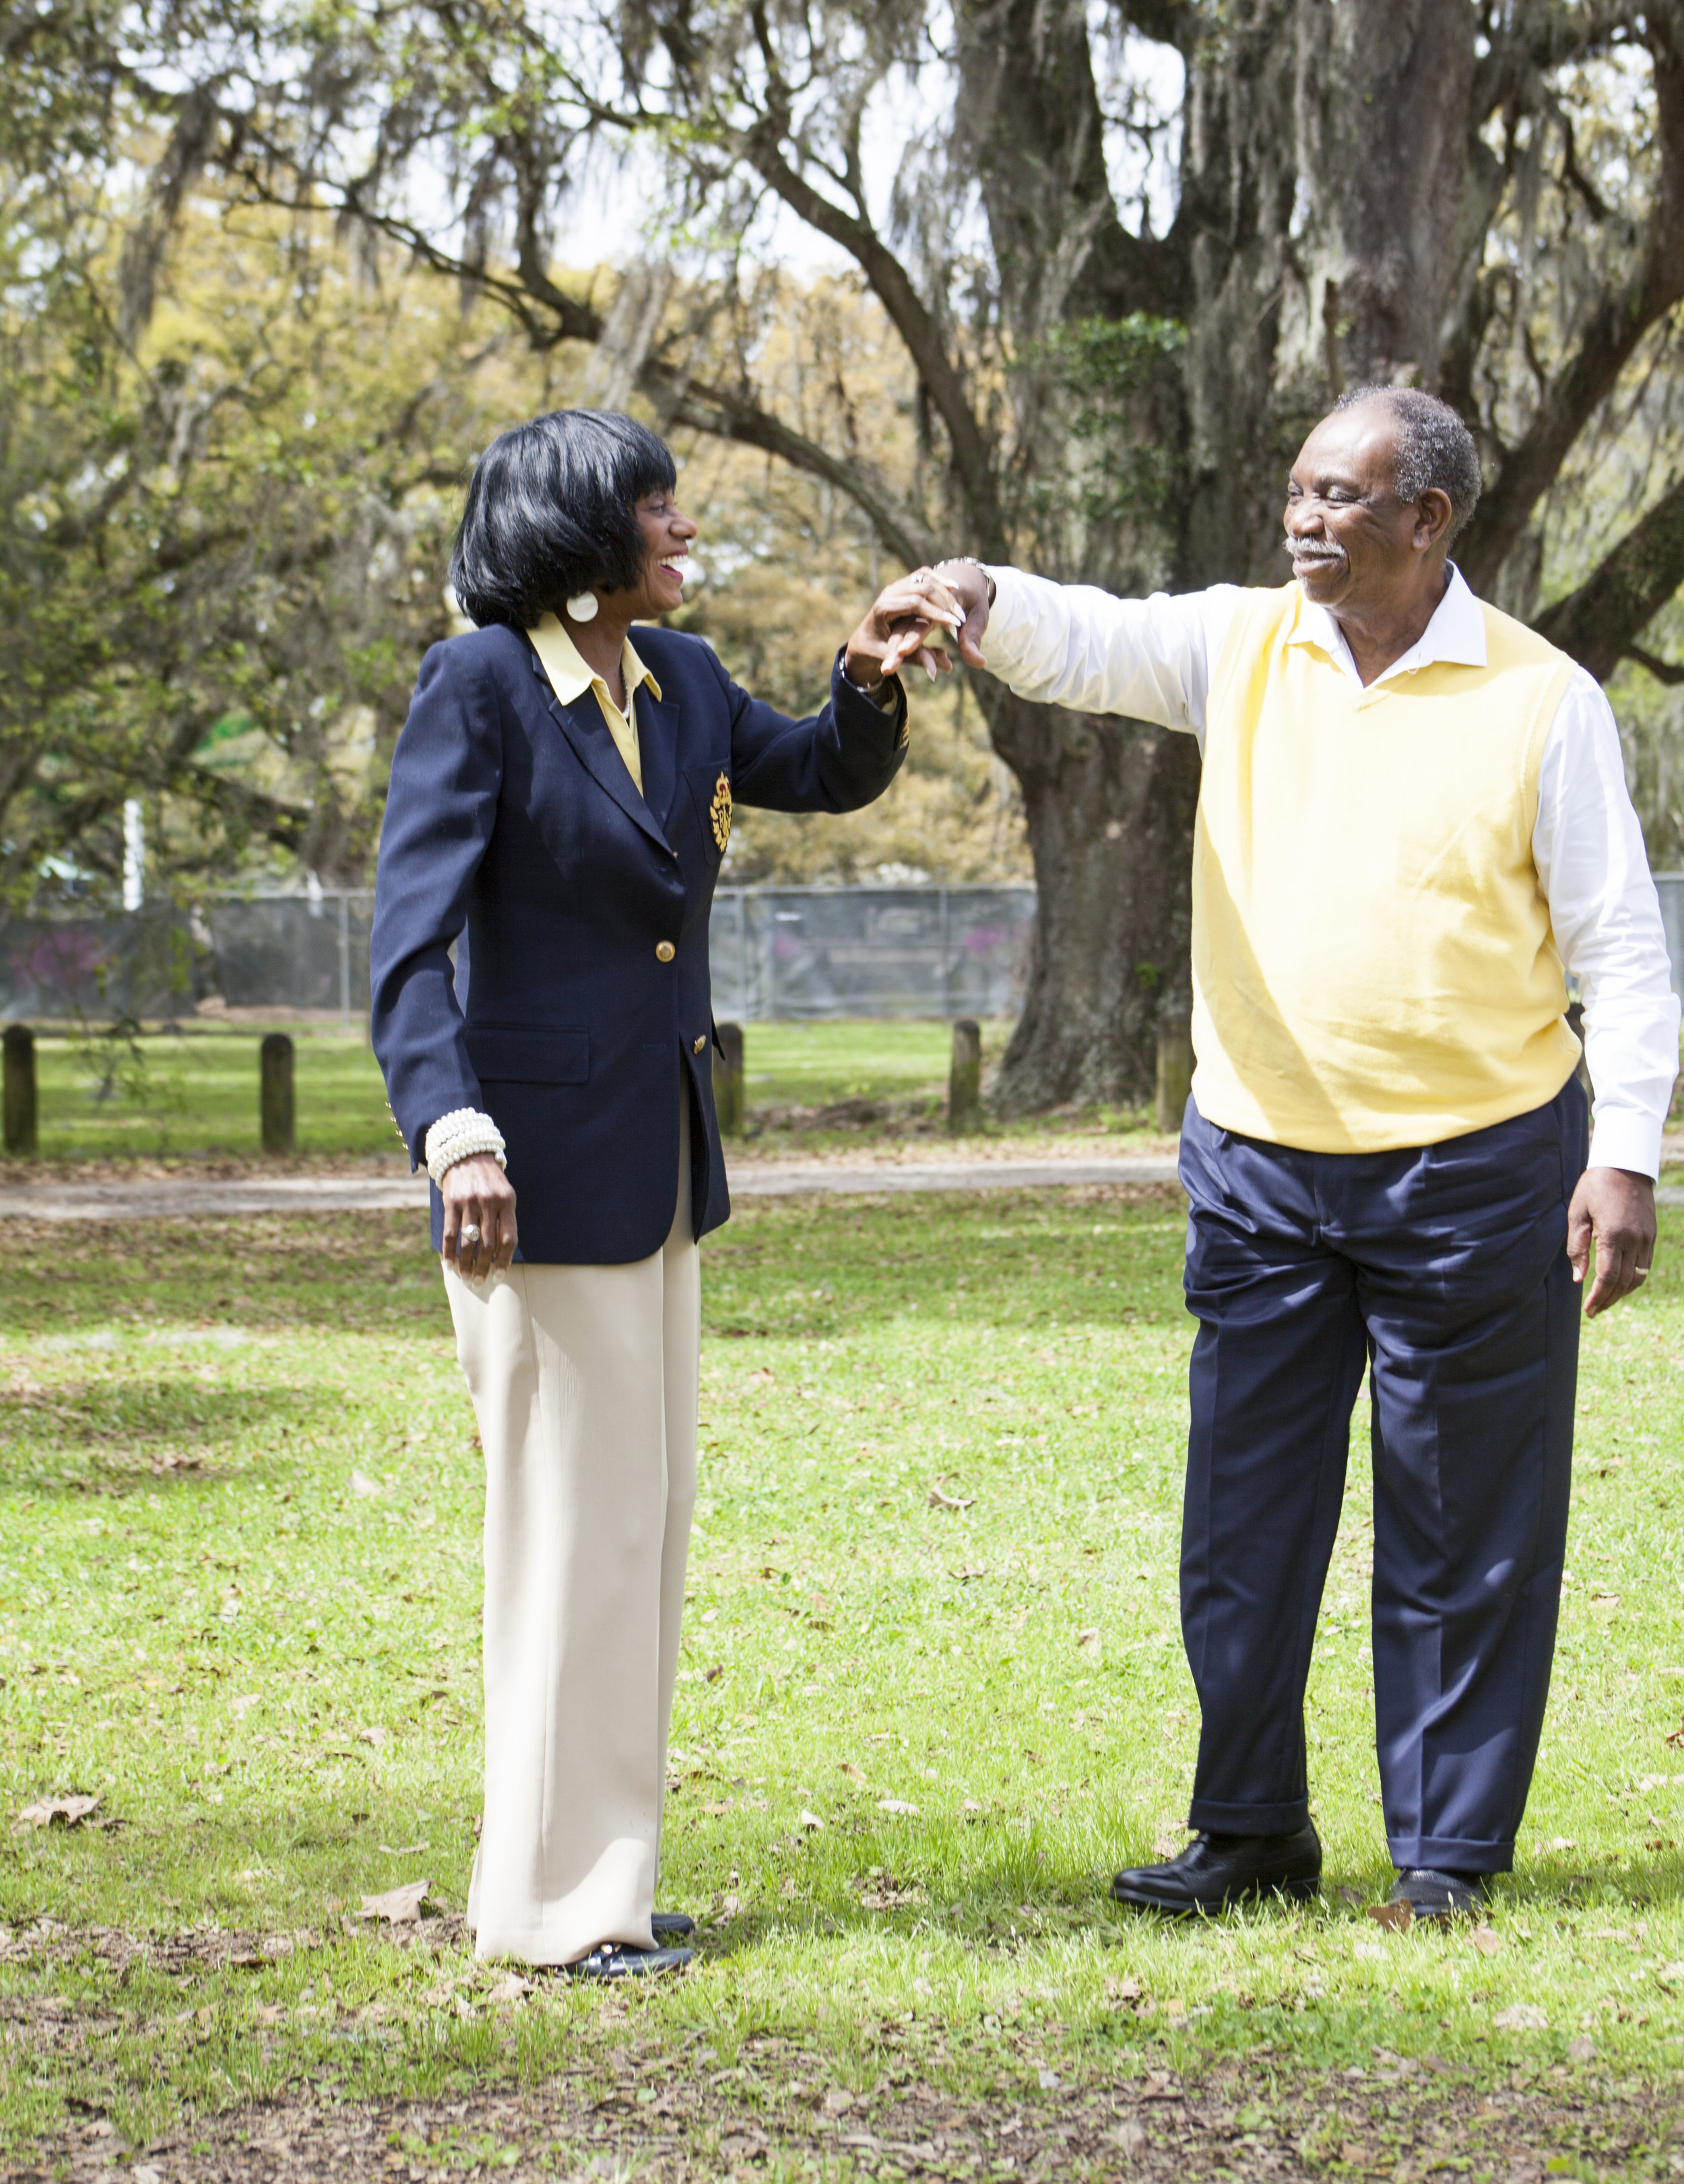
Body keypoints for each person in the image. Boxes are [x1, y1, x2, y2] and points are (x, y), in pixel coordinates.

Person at [886, 387, 1679, 1921]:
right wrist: (975, 597)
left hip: (1477, 1168)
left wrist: (1625, 1156)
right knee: (1240, 1524)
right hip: (1258, 1167)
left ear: (1426, 522)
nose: (1304, 520)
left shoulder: (1539, 699)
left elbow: (1623, 956)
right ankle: (1248, 1827)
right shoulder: (1242, 642)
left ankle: (1442, 1853)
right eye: (1298, 490)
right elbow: (1094, 638)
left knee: (1460, 1530)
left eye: (1340, 498)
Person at [371, 407, 920, 1976]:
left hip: (660, 1170)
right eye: (660, 515)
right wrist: (453, 1134)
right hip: (527, 1186)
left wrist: (865, 675)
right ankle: (549, 1913)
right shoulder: (476, 685)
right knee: (568, 1539)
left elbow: (813, 772)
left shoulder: (677, 684)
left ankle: (599, 1879)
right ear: (578, 533)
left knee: (638, 1532)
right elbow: (408, 953)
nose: (685, 536)